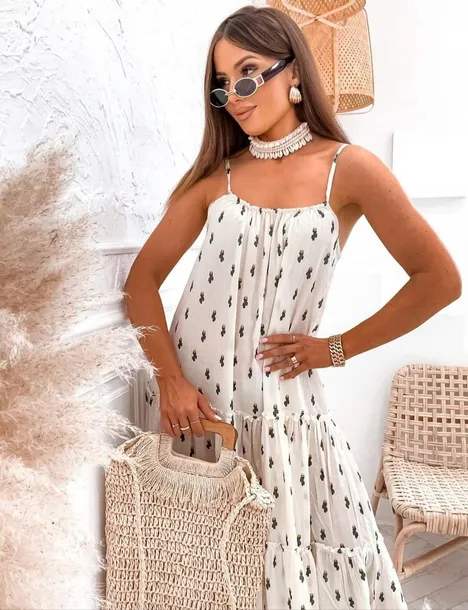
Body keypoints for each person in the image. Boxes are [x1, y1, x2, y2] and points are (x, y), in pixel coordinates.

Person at [124, 5, 461, 609]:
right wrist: (169, 380)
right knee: (198, 566)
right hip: (196, 406)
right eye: (222, 84)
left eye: (248, 73)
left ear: (294, 72)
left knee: (294, 566)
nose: (235, 96)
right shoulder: (217, 177)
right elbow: (141, 281)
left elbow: (439, 280)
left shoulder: (348, 170)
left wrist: (335, 349)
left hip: (282, 408)